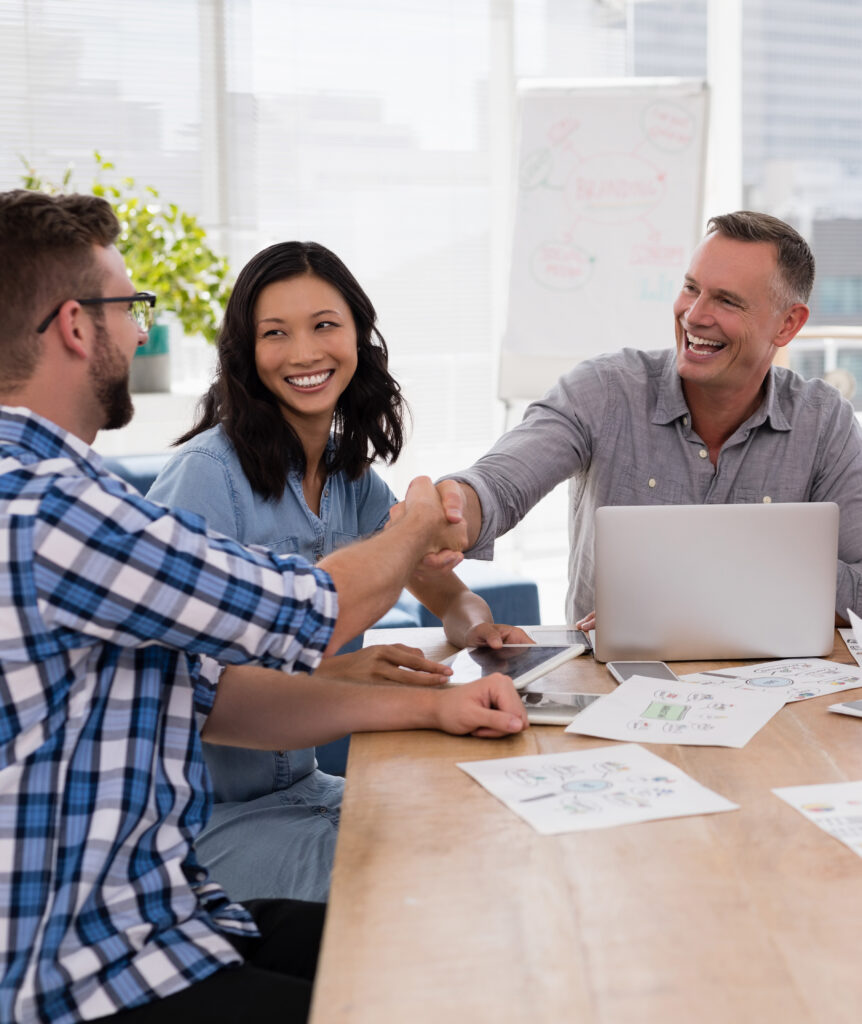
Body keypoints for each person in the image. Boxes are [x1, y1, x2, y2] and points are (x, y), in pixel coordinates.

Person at [0, 189, 527, 1024]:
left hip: (161, 915)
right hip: (84, 967)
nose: (141, 331)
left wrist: (436, 696)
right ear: (74, 326)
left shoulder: (64, 499)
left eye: (325, 324)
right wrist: (421, 518)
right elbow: (309, 606)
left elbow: (217, 692)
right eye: (132, 308)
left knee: (450, 925)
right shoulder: (57, 510)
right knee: (436, 955)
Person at [147, 240, 531, 903]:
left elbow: (446, 594)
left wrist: (479, 628)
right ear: (246, 351)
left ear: (358, 334)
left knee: (490, 838)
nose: (304, 353)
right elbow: (184, 691)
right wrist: (361, 682)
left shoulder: (352, 479)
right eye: (276, 333)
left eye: (324, 325)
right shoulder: (205, 479)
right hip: (196, 827)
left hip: (309, 790)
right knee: (442, 889)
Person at [436, 210, 862, 626]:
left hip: (778, 684)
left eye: (727, 301)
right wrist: (456, 508)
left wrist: (701, 594)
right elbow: (499, 486)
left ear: (788, 324)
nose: (694, 315)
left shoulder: (825, 423)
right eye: (691, 288)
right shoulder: (603, 390)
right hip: (610, 682)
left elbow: (858, 595)